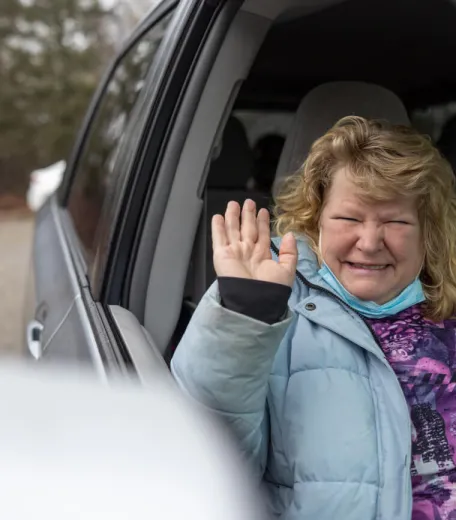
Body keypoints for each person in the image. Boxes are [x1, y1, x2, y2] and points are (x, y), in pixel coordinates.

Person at [171, 116, 456, 520]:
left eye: (396, 221)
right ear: (314, 219)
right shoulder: (267, 301)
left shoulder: (448, 312)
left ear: (427, 231)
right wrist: (245, 316)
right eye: (349, 219)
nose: (370, 242)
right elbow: (207, 465)